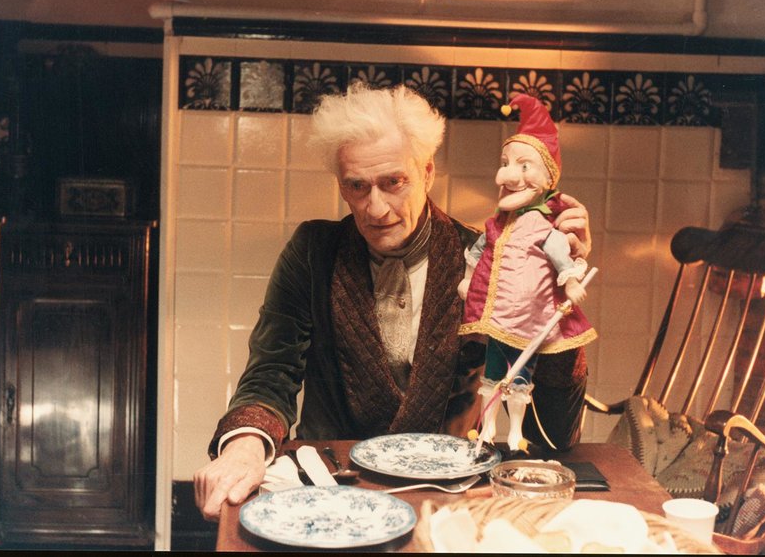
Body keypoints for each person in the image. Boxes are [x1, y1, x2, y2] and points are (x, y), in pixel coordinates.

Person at [193, 83, 592, 520]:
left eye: (393, 182)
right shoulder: (312, 251)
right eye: (357, 186)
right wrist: (245, 446)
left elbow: (555, 433)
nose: (376, 208)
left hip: (451, 499)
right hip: (331, 490)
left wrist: (555, 291)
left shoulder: (490, 260)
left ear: (427, 173)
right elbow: (272, 371)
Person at [458, 93, 597, 453]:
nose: (506, 176)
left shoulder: (541, 228)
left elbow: (557, 438)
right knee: (494, 377)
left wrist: (567, 275)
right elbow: (477, 254)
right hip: (443, 451)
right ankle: (489, 428)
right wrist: (469, 280)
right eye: (506, 164)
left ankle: (511, 431)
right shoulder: (493, 233)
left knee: (517, 379)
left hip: (528, 333)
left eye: (523, 166)